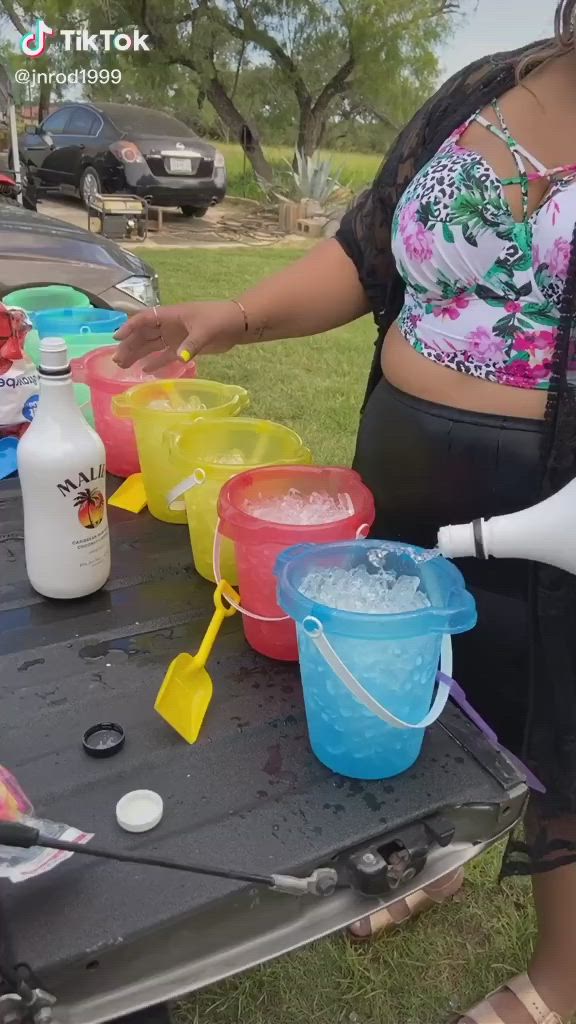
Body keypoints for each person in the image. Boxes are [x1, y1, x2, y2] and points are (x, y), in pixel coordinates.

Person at [115, 4, 576, 1020]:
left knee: (565, 721)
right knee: (428, 675)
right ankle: (437, 856)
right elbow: (369, 253)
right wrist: (230, 317)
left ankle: (562, 979)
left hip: (563, 507)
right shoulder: (489, 86)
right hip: (408, 469)